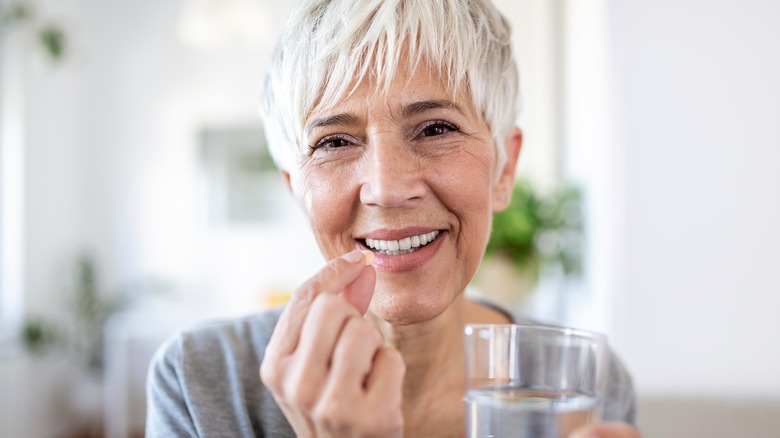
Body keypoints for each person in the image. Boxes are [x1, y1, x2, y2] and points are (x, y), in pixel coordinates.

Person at [146, 0, 640, 436]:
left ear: (504, 169)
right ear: (297, 188)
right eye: (334, 142)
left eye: (435, 128)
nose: (386, 187)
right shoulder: (199, 381)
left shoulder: (580, 383)